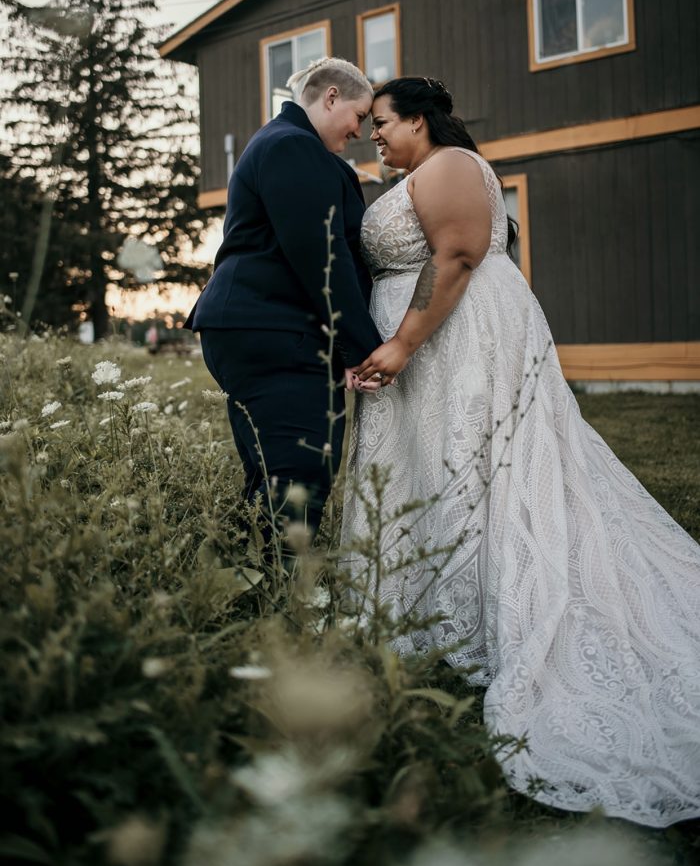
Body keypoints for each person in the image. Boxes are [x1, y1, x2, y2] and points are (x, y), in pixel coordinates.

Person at [341, 76, 700, 826]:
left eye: (382, 122)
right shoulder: (423, 171)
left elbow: (461, 255)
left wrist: (403, 341)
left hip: (462, 338)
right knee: (451, 466)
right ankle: (440, 605)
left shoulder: (447, 166)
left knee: (485, 465)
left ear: (419, 120)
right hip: (443, 343)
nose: (375, 134)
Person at [186, 58, 380, 535]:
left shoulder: (281, 142)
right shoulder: (293, 146)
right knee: (300, 475)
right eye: (358, 115)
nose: (359, 131)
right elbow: (322, 257)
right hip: (274, 331)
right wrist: (361, 348)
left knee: (274, 474)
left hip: (259, 328)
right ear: (331, 97)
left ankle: (258, 586)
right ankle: (284, 594)